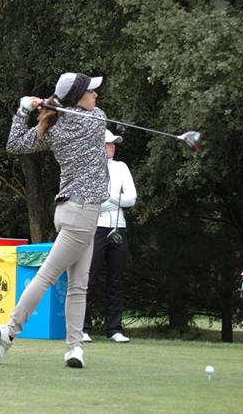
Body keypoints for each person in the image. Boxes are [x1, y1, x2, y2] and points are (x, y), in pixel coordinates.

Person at [0, 72, 109, 369]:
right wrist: (51, 106)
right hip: (81, 214)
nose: (96, 95)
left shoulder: (53, 126)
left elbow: (14, 144)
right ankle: (10, 330)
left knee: (79, 284)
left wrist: (24, 110)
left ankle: (74, 348)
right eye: (90, 91)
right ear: (77, 98)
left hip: (73, 211)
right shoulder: (96, 119)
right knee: (47, 276)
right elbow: (93, 113)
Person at [82, 129, 136, 343]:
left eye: (113, 144)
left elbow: (131, 199)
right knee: (89, 278)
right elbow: (90, 200)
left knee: (116, 280)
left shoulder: (121, 167)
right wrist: (115, 199)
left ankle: (114, 329)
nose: (112, 147)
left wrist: (109, 197)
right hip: (95, 227)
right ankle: (83, 328)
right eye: (108, 144)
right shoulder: (88, 168)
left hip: (118, 227)